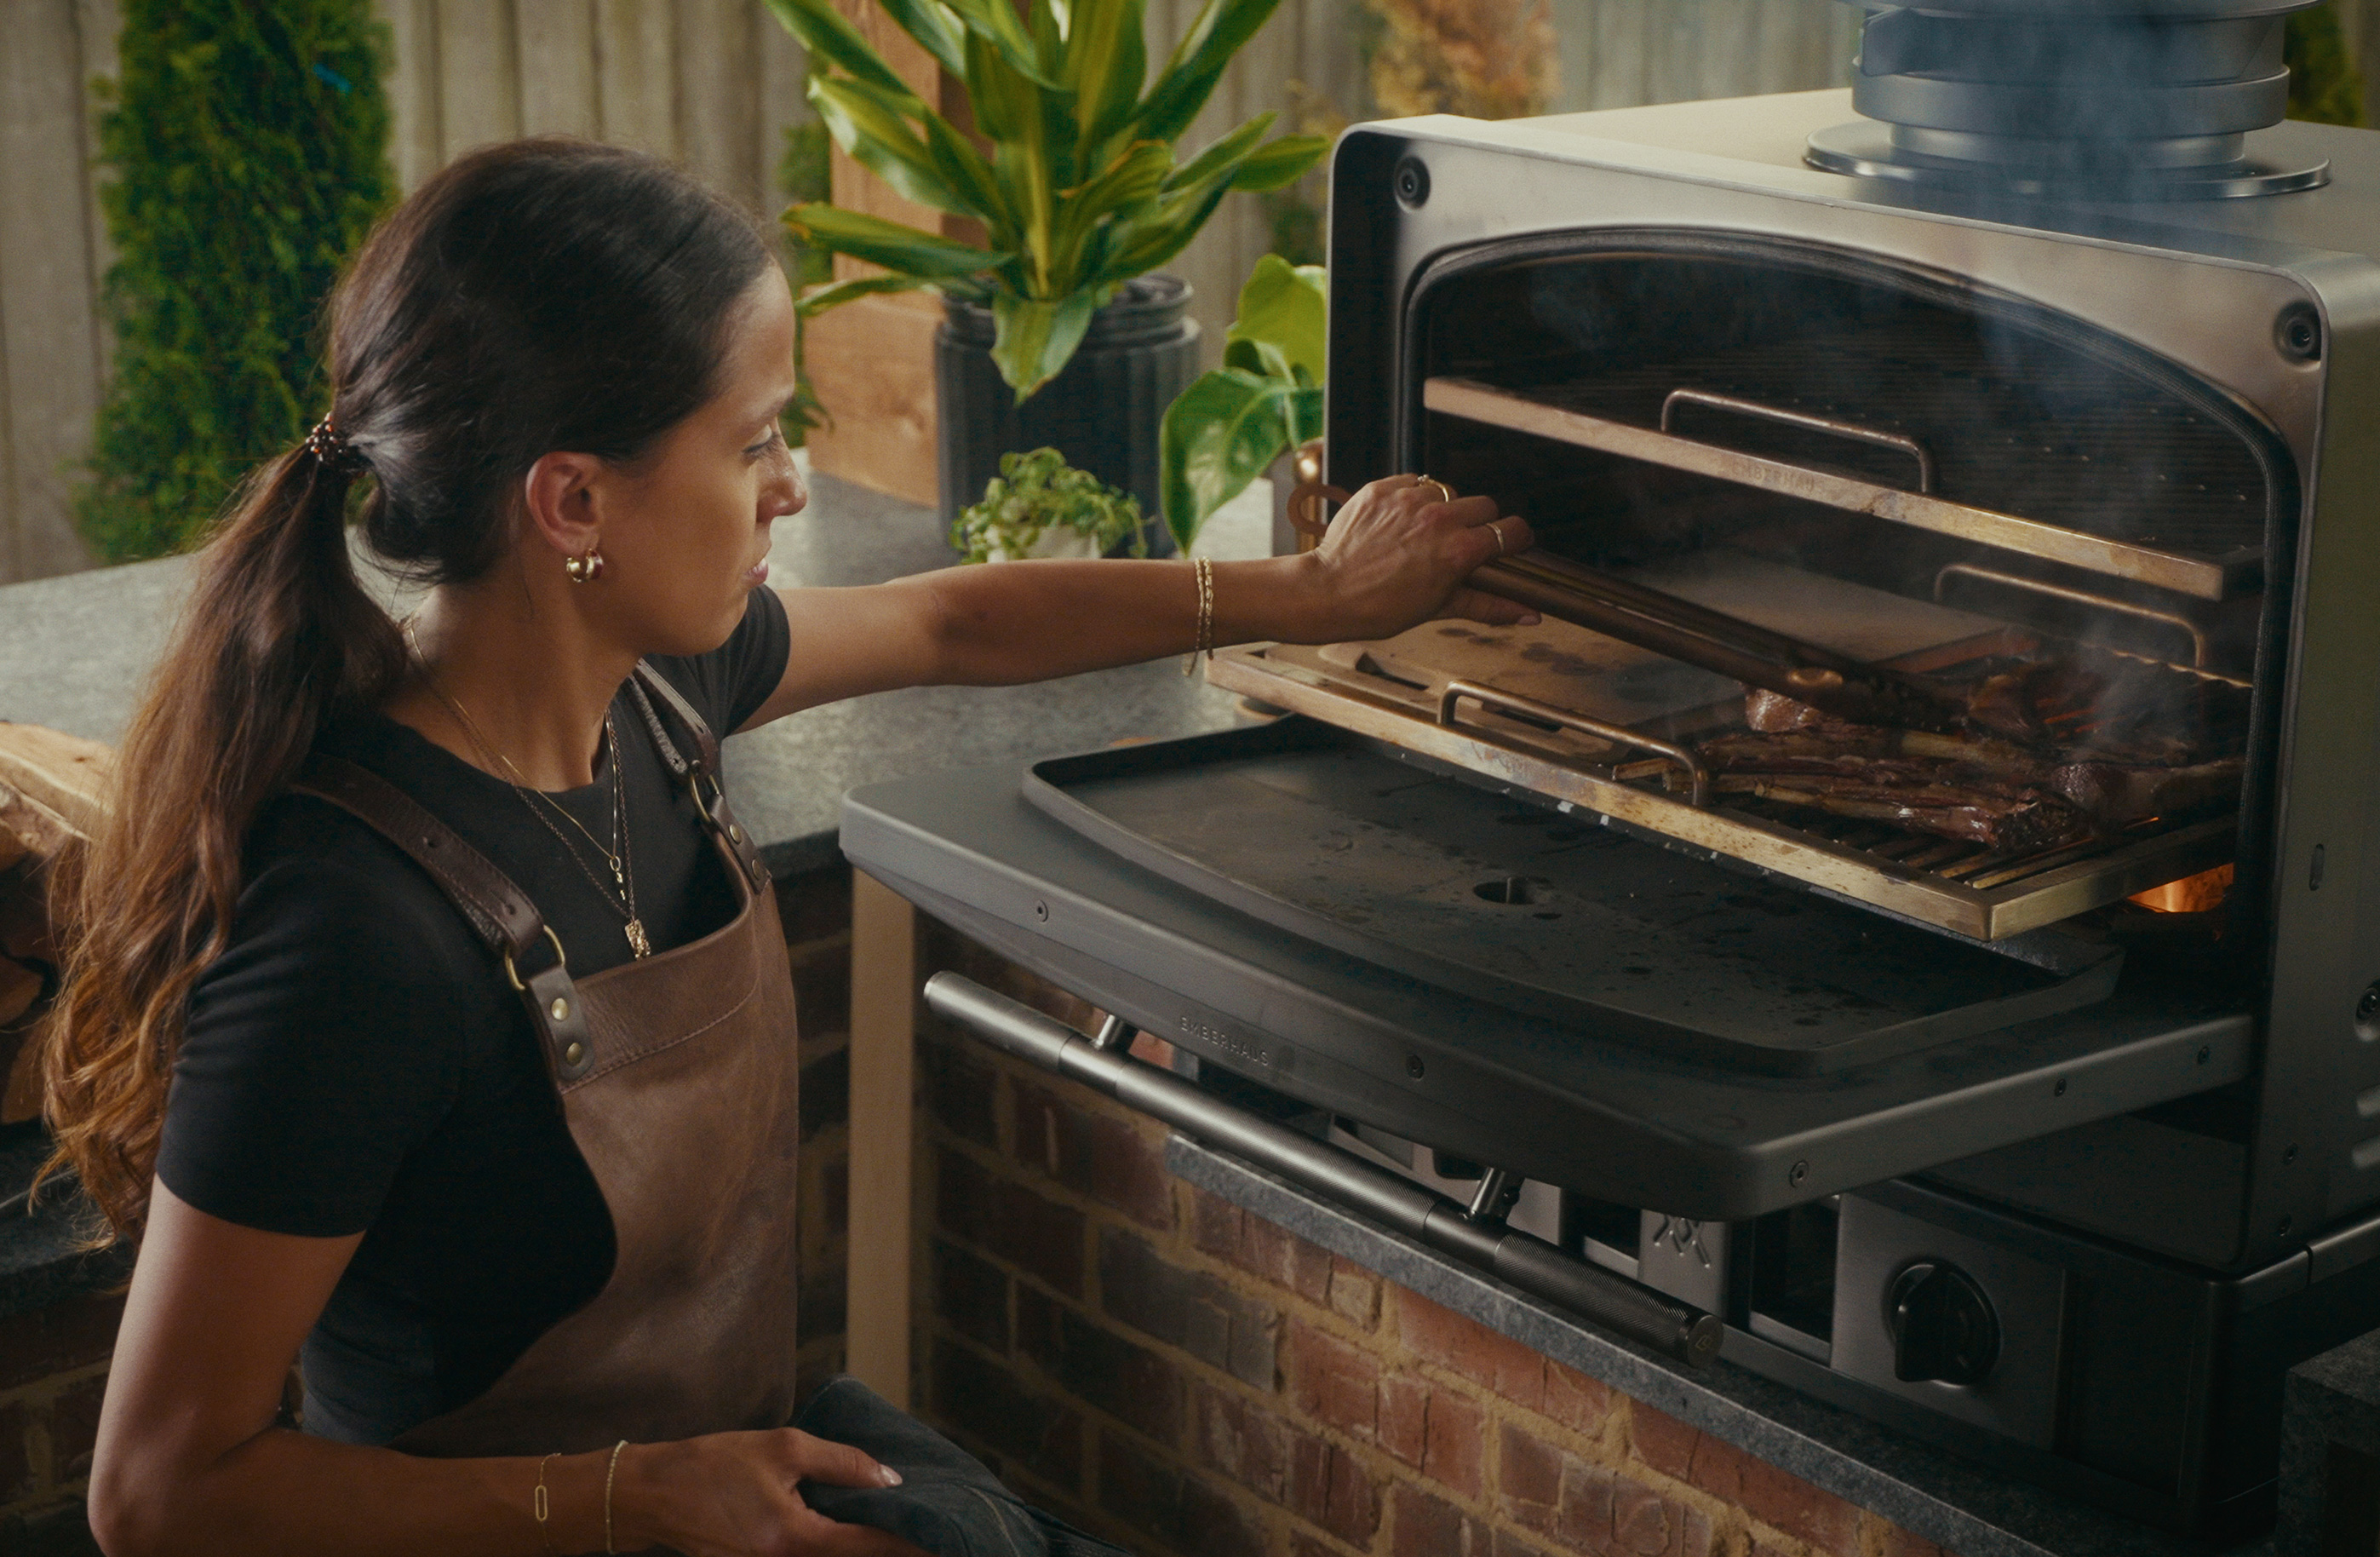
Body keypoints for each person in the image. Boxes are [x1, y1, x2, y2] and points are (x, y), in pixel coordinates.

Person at [40, 137, 1534, 1557]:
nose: (796, 481)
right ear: (574, 501)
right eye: (754, 438)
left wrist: (1311, 594)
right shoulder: (352, 933)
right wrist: (637, 1500)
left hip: (723, 1499)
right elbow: (160, 1494)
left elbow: (951, 617)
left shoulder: (657, 690)